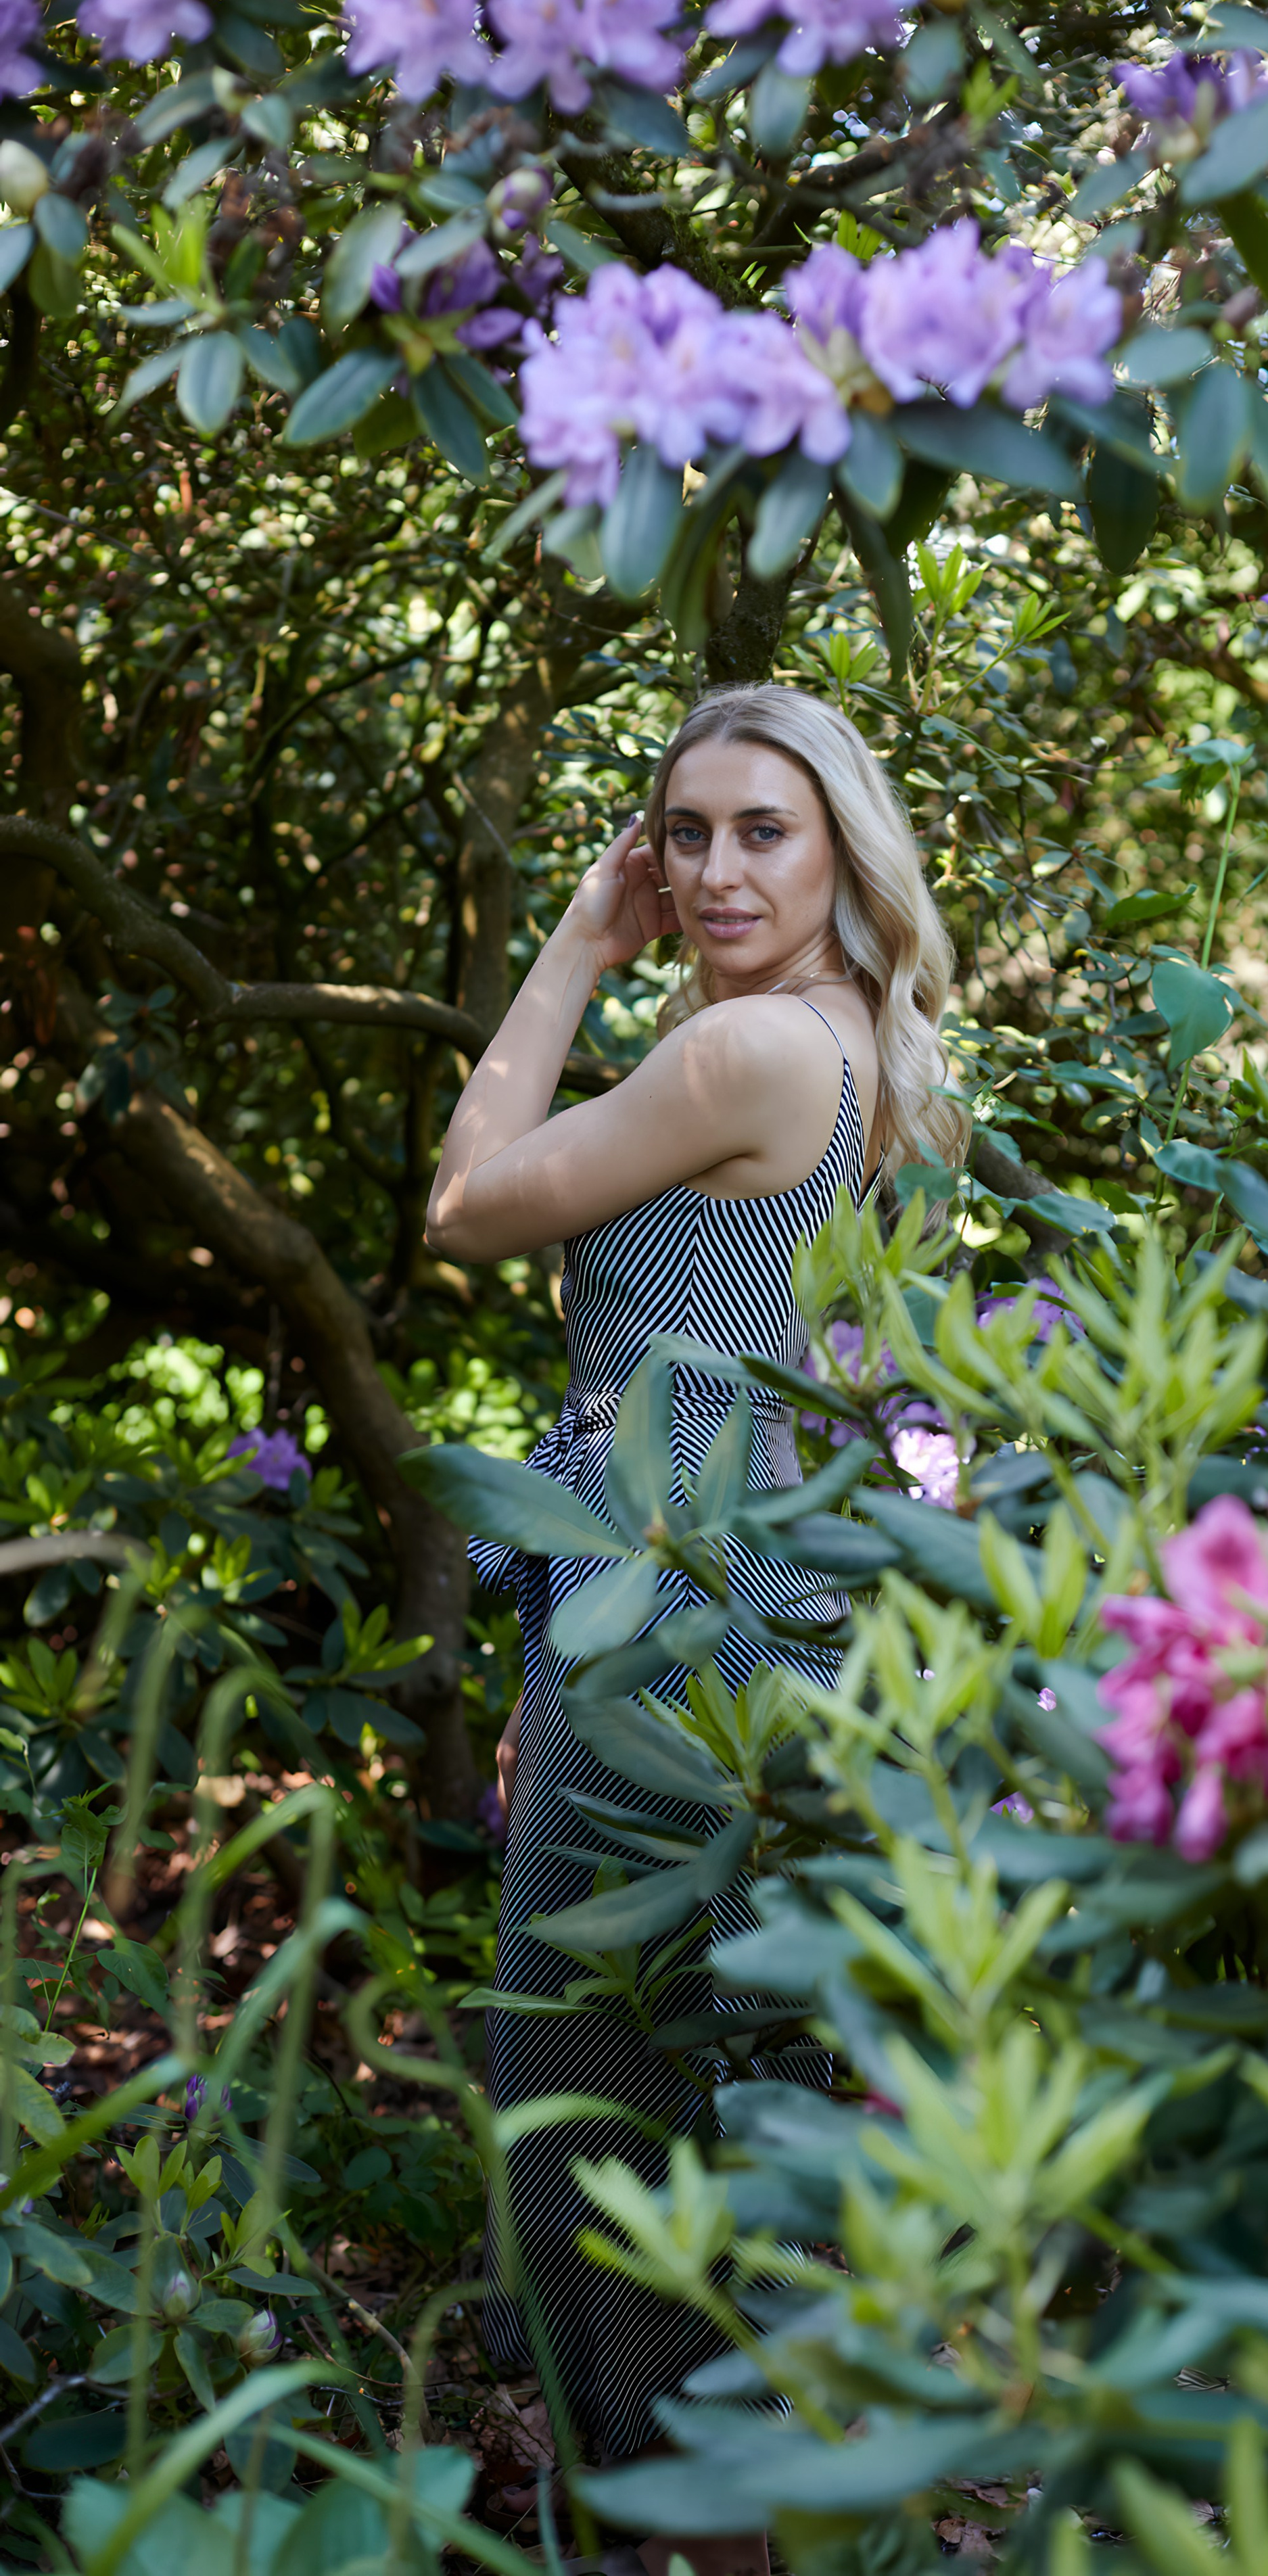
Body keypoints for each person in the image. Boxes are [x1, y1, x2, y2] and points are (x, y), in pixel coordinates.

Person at [425, 683, 969, 2573]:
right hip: (737, 1611)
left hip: (681, 1636)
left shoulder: (744, 1055)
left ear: (842, 850)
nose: (714, 867)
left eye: (764, 829)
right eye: (683, 833)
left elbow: (463, 1210)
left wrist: (578, 940)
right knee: (727, 2088)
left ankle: (677, 2538)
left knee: (598, 2106)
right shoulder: (871, 1053)